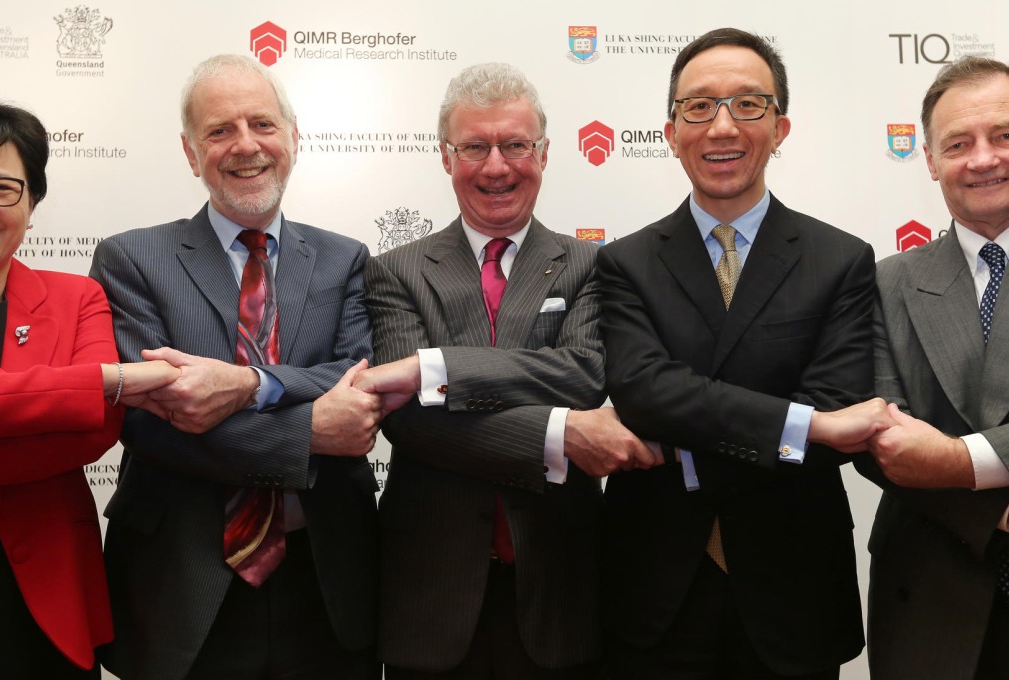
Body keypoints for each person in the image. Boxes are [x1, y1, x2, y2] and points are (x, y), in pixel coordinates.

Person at [597, 27, 890, 679]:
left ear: (780, 127)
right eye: (698, 107)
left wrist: (687, 429)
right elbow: (643, 393)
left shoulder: (840, 260)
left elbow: (840, 410)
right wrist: (798, 424)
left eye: (747, 104)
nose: (721, 126)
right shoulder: (624, 263)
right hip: (655, 583)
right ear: (670, 131)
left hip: (793, 583)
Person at [353, 62, 656, 679]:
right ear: (445, 156)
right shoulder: (394, 272)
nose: (497, 166)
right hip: (430, 596)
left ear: (544, 153)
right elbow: (411, 423)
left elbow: (581, 375)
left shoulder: (595, 266)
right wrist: (559, 434)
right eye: (475, 147)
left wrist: (435, 369)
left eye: (515, 144)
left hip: (563, 588)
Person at [89, 54, 382, 680]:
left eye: (263, 124)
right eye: (220, 130)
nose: (245, 145)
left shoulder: (344, 258)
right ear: (191, 152)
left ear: (294, 137)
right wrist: (305, 430)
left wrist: (249, 383)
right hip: (180, 580)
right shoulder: (132, 258)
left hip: (324, 574)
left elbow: (355, 379)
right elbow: (151, 421)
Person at [0, 99, 178, 678]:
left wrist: (86, 397)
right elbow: (93, 400)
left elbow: (93, 429)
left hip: (43, 599)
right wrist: (104, 379)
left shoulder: (77, 299)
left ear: (33, 200)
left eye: (1, 186)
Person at [860, 56, 1009, 680]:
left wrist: (955, 460)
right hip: (929, 600)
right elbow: (887, 441)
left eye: (1004, 136)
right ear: (928, 161)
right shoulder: (886, 282)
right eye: (958, 143)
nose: (983, 158)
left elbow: (931, 455)